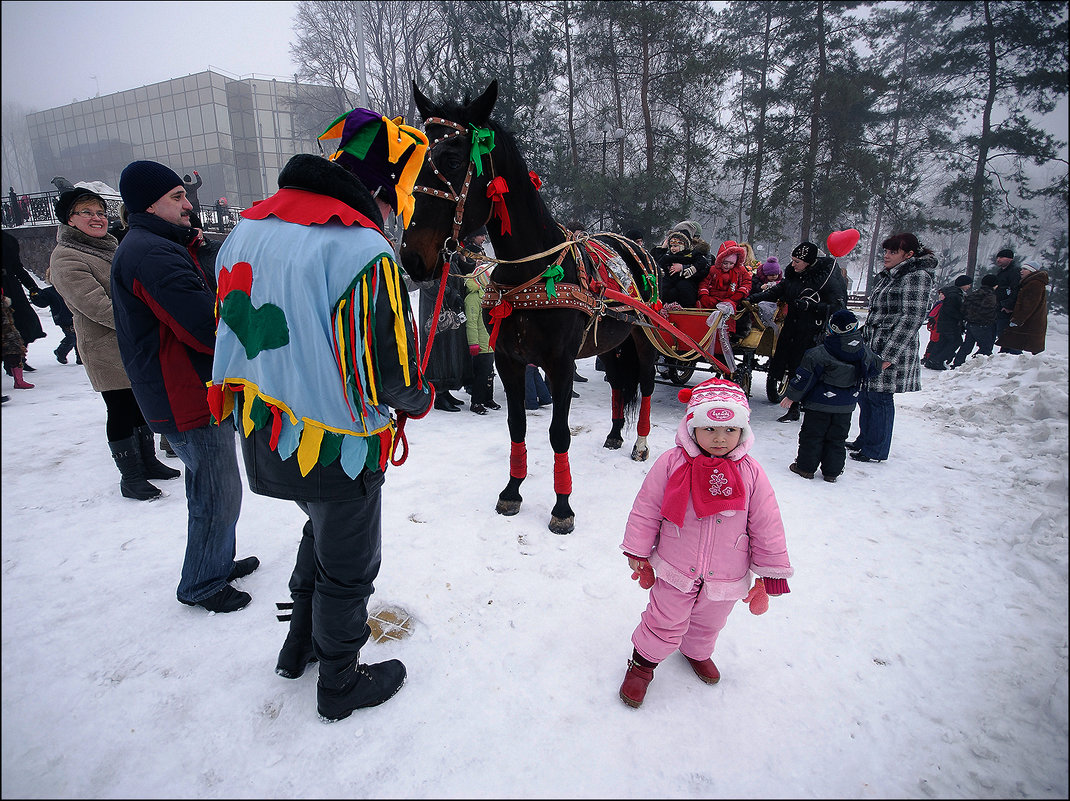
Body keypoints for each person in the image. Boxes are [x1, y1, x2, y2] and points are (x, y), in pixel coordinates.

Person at [210, 107, 433, 722]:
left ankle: (298, 643)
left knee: (321, 531)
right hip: (337, 443)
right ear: (386, 189)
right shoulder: (363, 248)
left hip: (265, 429)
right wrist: (419, 396)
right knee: (352, 565)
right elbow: (391, 374)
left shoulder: (248, 228)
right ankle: (339, 681)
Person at [111, 159, 257, 613]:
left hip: (184, 386)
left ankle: (214, 560)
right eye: (176, 197)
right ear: (148, 204)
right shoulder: (152, 253)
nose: (188, 204)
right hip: (185, 391)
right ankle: (203, 582)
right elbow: (202, 326)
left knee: (210, 485)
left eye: (184, 195)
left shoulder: (160, 244)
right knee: (217, 488)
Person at [617, 377, 793, 708]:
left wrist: (771, 574)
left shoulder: (751, 473)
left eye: (730, 430)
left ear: (742, 432)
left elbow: (767, 524)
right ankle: (643, 664)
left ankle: (696, 651)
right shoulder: (672, 463)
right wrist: (638, 550)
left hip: (728, 572)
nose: (719, 438)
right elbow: (647, 508)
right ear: (691, 426)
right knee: (664, 619)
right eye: (709, 428)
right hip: (676, 566)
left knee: (709, 623)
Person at [49, 187, 181, 500]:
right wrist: (142, 320)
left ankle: (147, 461)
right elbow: (93, 304)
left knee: (138, 404)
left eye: (99, 212)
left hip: (130, 343)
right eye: (87, 213)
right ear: (70, 220)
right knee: (120, 409)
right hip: (105, 348)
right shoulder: (66, 257)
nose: (97, 218)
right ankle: (130, 476)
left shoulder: (109, 246)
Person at [848, 232, 936, 464]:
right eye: (886, 251)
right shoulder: (892, 275)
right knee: (867, 395)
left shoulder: (916, 277)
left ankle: (875, 449)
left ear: (909, 254)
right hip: (873, 343)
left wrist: (887, 356)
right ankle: (865, 439)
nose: (886, 256)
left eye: (893, 252)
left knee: (879, 398)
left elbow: (911, 319)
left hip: (892, 346)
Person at [748, 241, 847, 421]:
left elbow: (837, 305)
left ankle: (807, 405)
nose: (793, 264)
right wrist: (753, 298)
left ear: (809, 262)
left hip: (813, 330)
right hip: (792, 326)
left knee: (806, 367)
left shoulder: (826, 279)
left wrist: (812, 306)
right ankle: (794, 407)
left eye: (797, 261)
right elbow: (778, 290)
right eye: (792, 260)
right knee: (792, 365)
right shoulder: (794, 275)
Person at [780, 309, 879, 482]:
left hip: (818, 404)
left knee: (812, 435)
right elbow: (874, 368)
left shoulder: (818, 353)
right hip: (846, 406)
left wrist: (792, 396)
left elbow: (804, 378)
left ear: (830, 329)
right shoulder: (864, 352)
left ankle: (805, 468)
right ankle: (832, 473)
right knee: (837, 438)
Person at [419, 243, 471, 412]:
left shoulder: (446, 254)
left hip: (450, 310)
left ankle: (445, 391)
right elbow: (428, 283)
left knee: (450, 351)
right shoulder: (430, 256)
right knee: (439, 351)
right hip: (436, 312)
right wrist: (450, 293)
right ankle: (440, 394)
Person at [461, 227, 500, 414]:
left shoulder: (487, 295)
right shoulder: (473, 297)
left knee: (490, 373)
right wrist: (473, 344)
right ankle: (476, 401)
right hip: (480, 345)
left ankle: (488, 398)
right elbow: (471, 323)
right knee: (481, 374)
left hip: (490, 342)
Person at [2, 231, 46, 366]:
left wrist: (32, 287)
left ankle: (17, 359)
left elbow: (17, 267)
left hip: (12, 287)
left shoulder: (7, 240)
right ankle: (12, 362)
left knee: (26, 323)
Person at [995, 261, 1049, 355]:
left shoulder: (1034, 284)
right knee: (1012, 344)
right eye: (1022, 268)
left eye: (1025, 269)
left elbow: (1029, 305)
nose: (1021, 271)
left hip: (1028, 322)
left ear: (1032, 271)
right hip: (1027, 320)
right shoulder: (1029, 282)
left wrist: (1017, 319)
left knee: (1016, 345)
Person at [924, 274, 971, 370]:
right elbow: (951, 310)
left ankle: (932, 360)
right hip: (950, 324)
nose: (969, 287)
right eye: (968, 284)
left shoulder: (952, 293)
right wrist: (961, 316)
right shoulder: (955, 295)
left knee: (942, 341)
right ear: (963, 284)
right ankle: (937, 360)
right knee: (956, 342)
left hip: (944, 323)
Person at [952, 274, 999, 366]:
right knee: (986, 348)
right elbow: (989, 310)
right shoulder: (990, 296)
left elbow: (964, 308)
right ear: (994, 285)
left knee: (967, 346)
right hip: (984, 325)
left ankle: (958, 363)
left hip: (971, 324)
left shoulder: (974, 294)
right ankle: (978, 364)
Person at [656, 230, 709, 308]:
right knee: (664, 287)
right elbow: (658, 262)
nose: (672, 249)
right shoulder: (667, 257)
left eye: (675, 246)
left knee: (683, 286)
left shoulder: (692, 255)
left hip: (686, 287)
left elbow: (703, 264)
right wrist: (662, 249)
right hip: (670, 286)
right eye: (671, 246)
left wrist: (686, 268)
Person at [28, 284, 77, 364]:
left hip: (74, 315)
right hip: (63, 318)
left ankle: (80, 357)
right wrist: (35, 296)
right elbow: (42, 303)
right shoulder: (50, 291)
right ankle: (61, 352)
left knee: (78, 335)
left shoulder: (71, 286)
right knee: (72, 336)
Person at [2, 290, 33, 388]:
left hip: (9, 335)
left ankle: (19, 381)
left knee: (15, 354)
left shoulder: (4, 305)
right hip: (7, 334)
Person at [992, 248, 1020, 351]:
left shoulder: (1014, 272)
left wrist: (1008, 305)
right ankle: (1005, 353)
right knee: (1002, 333)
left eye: (1002, 257)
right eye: (998, 257)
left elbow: (1015, 290)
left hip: (1007, 309)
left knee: (1008, 334)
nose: (998, 260)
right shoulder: (1001, 272)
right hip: (999, 306)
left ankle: (1012, 354)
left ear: (1010, 259)